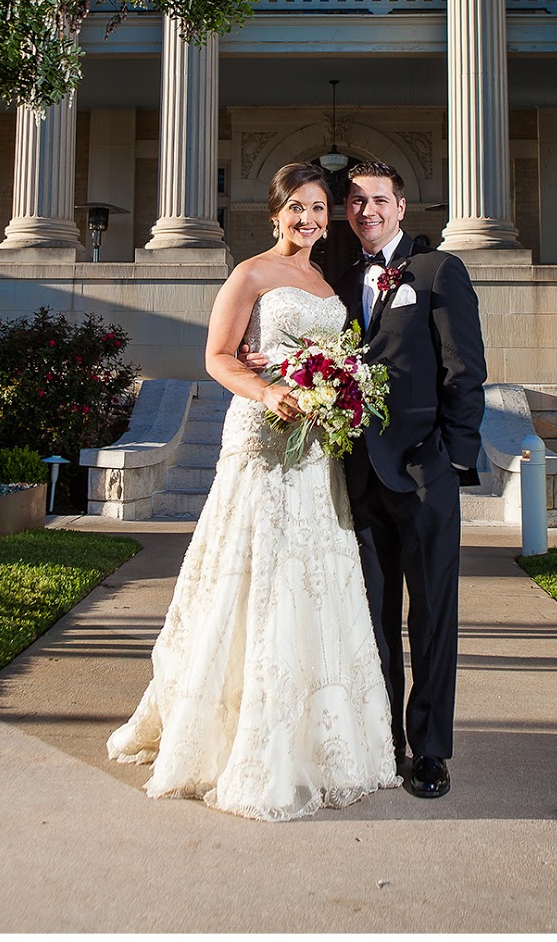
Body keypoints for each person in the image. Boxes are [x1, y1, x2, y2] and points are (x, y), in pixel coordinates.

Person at [106, 162, 399, 821]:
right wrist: (267, 391)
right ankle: (240, 735)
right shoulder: (249, 274)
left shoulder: (327, 283)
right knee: (258, 574)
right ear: (274, 214)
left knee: (312, 579)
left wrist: (339, 388)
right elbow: (218, 357)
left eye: (318, 208)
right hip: (264, 438)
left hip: (316, 447)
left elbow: (337, 361)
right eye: (296, 207)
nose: (308, 219)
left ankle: (319, 739)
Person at [339, 162, 487, 800]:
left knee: (431, 618)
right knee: (372, 622)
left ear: (401, 206)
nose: (366, 210)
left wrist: (453, 459)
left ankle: (429, 750)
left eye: (378, 199)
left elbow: (465, 369)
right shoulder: (339, 280)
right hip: (359, 477)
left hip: (425, 473)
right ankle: (383, 742)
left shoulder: (438, 271)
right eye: (355, 201)